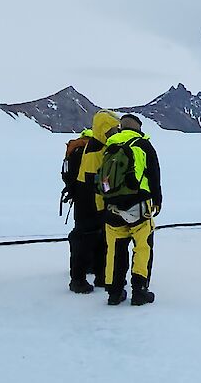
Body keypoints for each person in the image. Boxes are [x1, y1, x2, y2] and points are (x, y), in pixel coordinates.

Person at [98, 113, 162, 306]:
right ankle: (140, 290)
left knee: (115, 250)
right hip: (139, 206)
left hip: (113, 207)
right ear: (138, 128)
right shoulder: (143, 145)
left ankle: (114, 292)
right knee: (143, 247)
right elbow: (154, 176)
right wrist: (157, 201)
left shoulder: (110, 146)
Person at [61, 110, 120, 294]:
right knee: (84, 239)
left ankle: (102, 276)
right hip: (90, 201)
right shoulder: (96, 150)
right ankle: (77, 280)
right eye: (112, 129)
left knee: (102, 239)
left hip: (92, 200)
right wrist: (107, 200)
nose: (115, 132)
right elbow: (97, 180)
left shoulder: (100, 146)